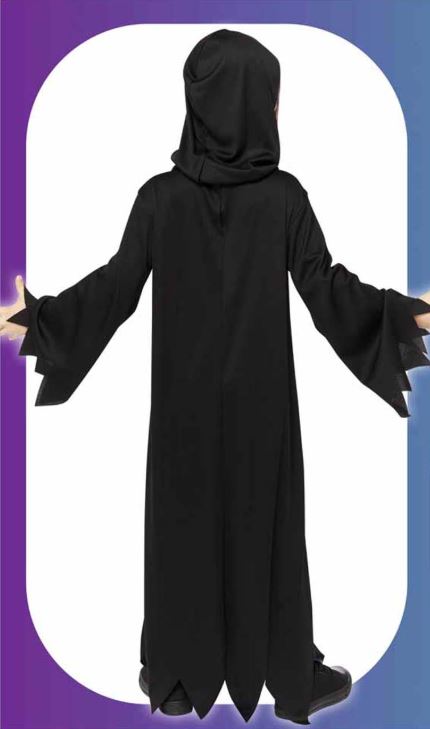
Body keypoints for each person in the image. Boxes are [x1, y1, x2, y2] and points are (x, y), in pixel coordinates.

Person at [2, 28, 430, 725]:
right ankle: (287, 669)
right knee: (268, 527)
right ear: (247, 101)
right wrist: (403, 319)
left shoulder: (159, 198)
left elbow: (113, 287)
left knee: (183, 524)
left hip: (183, 405)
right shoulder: (283, 197)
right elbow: (327, 287)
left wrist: (41, 320)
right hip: (262, 404)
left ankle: (176, 674)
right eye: (272, 95)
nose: (277, 109)